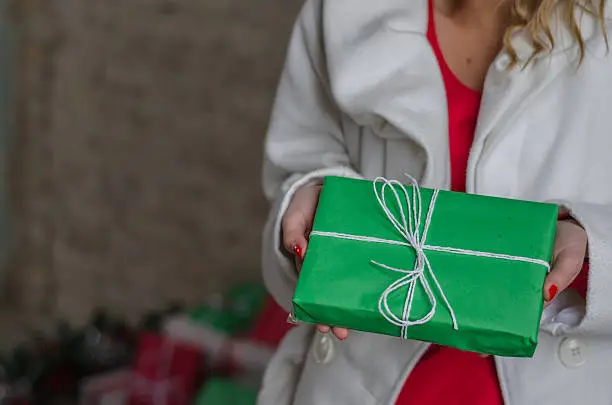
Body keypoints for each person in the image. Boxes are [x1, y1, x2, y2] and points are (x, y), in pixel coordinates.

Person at [259, 0, 612, 404]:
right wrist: (307, 216)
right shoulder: (342, 11)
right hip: (359, 383)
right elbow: (297, 166)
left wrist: (593, 252)